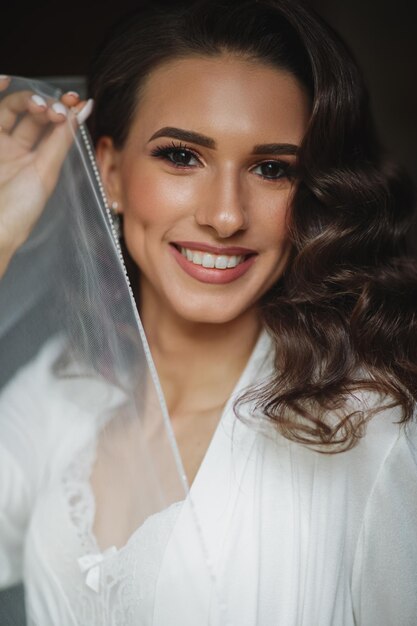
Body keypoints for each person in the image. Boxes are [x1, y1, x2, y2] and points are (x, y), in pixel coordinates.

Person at [0, 1, 416, 624]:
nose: (226, 216)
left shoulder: (370, 429)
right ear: (109, 170)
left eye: (272, 169)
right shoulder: (57, 392)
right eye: (182, 157)